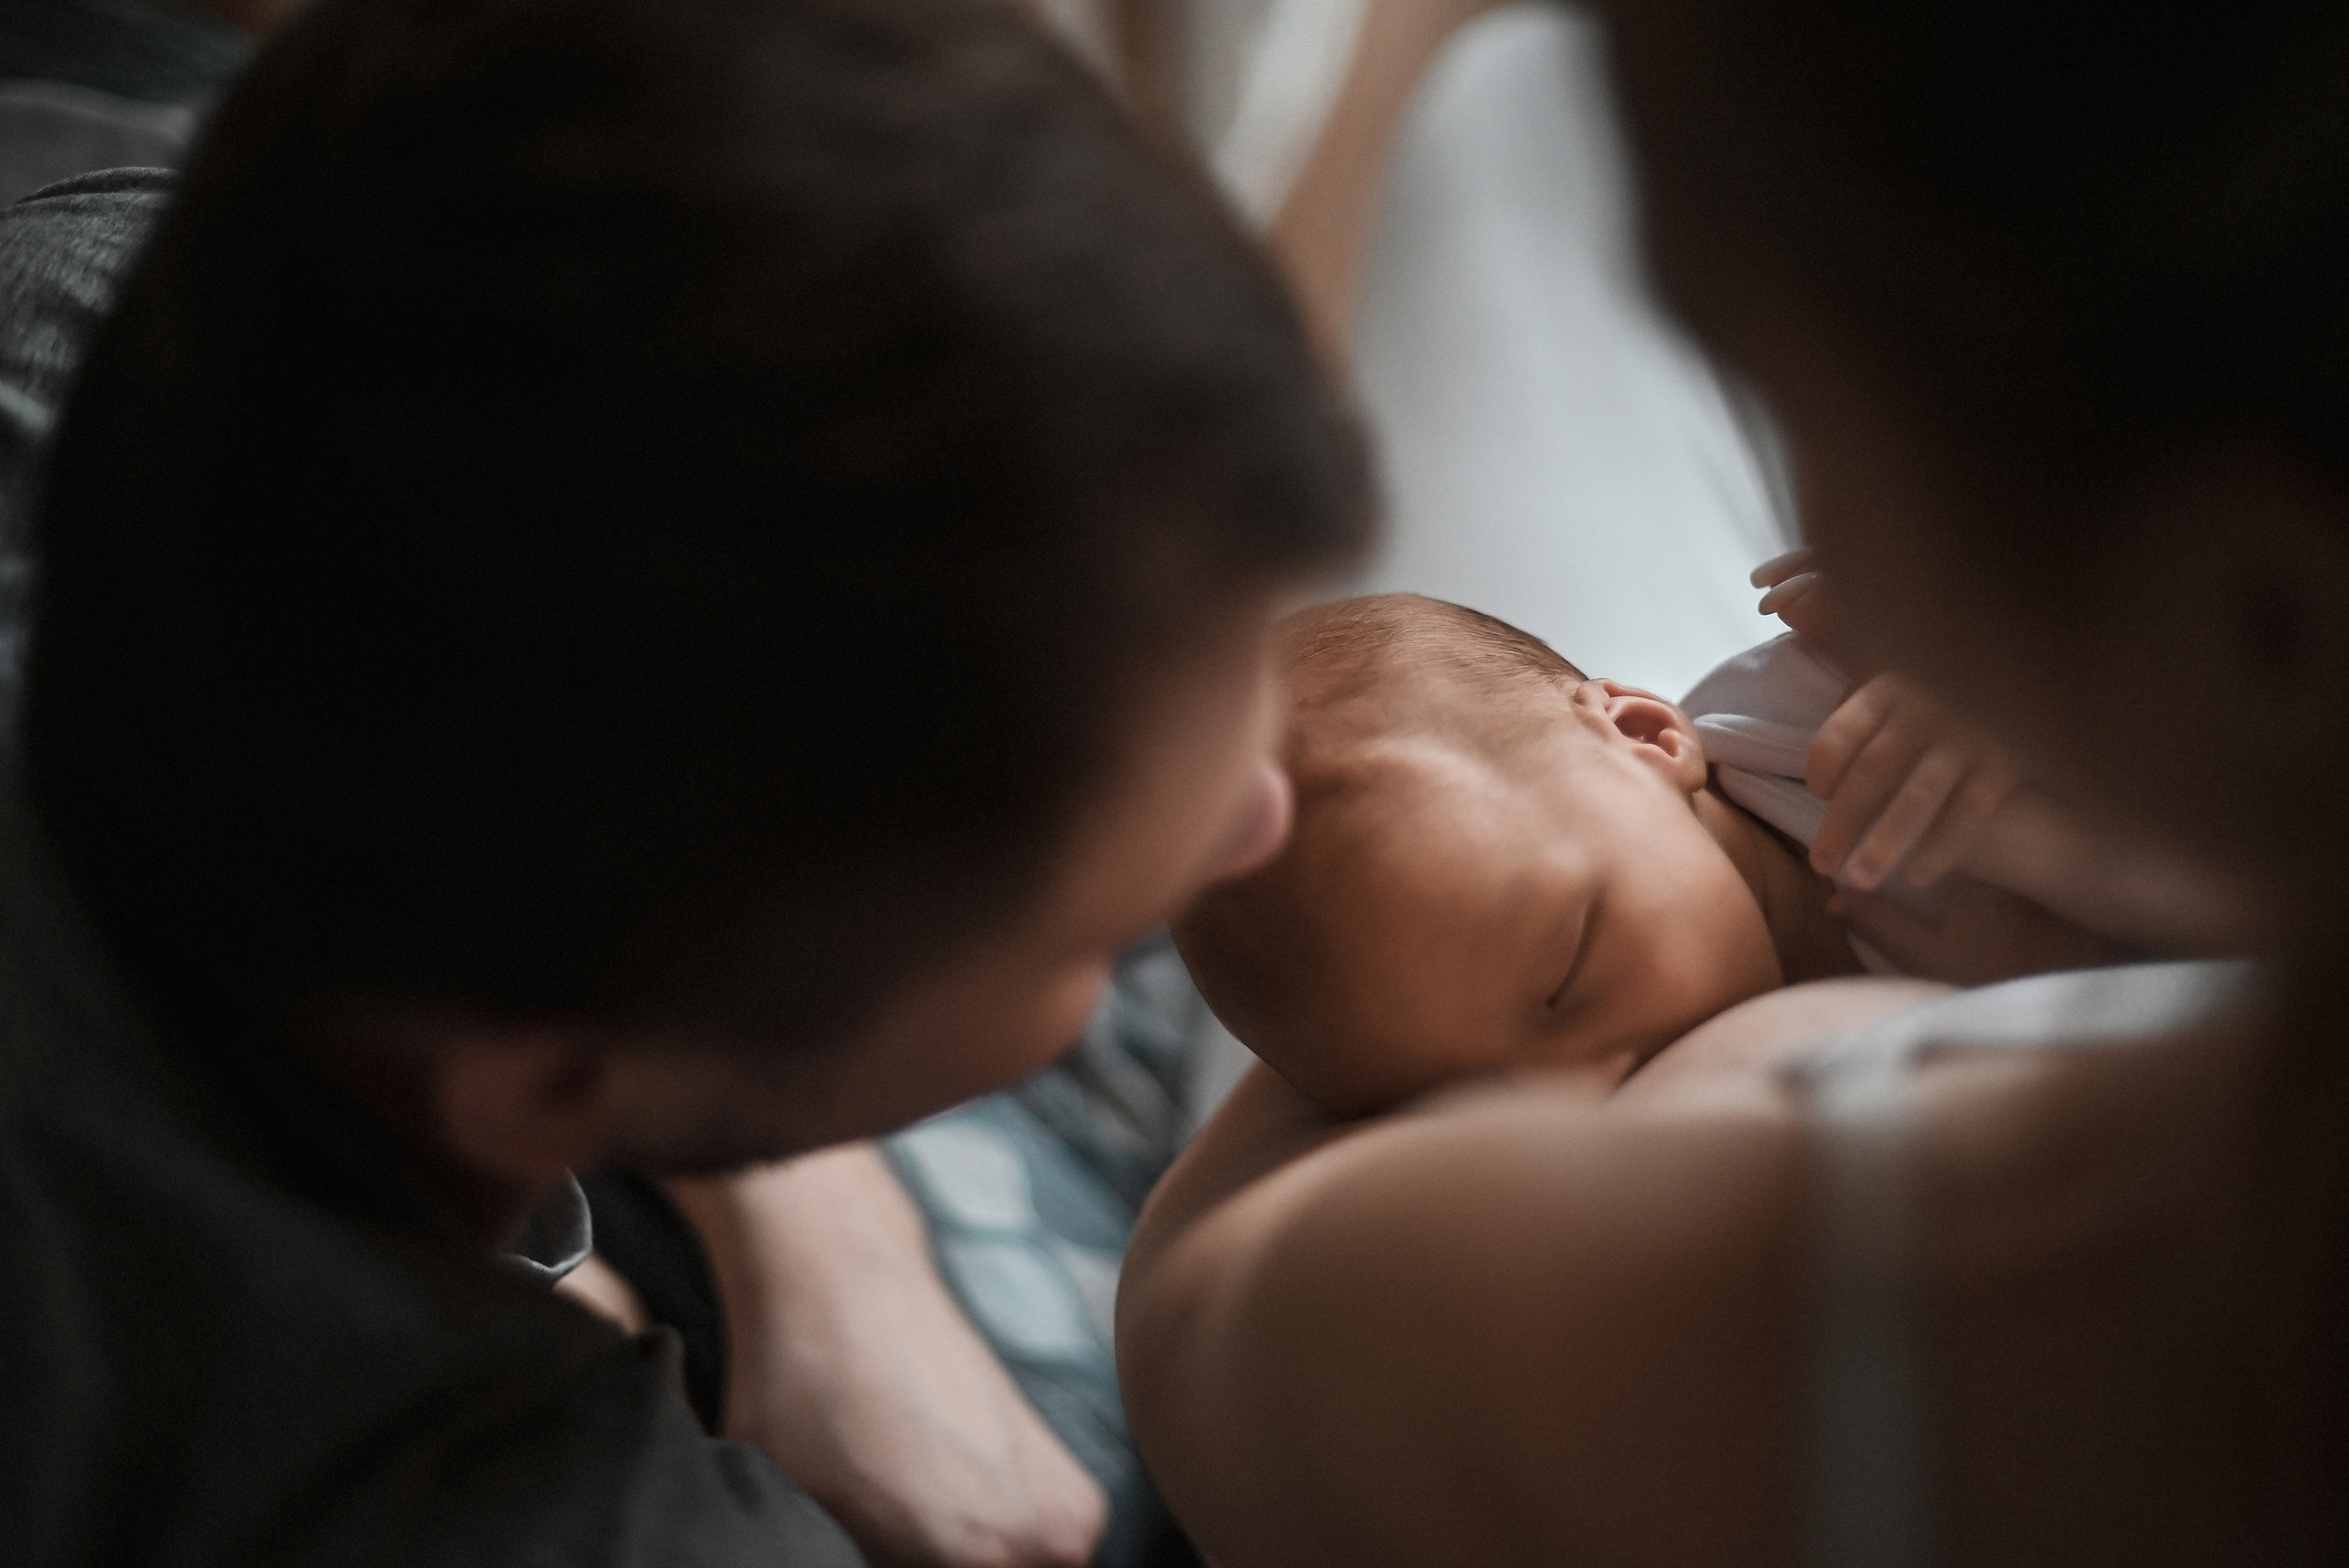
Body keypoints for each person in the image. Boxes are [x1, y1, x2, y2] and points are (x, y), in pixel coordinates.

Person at [0, 1, 1373, 1565]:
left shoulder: (112, 314)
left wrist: (830, 1250)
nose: (1270, 805)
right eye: (1097, 934)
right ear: (552, 1089)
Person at [1116, 2, 2349, 1564]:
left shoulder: (1777, 1186)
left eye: (1807, 407)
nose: (1563, 1100)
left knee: (1535, 105)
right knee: (1536, 88)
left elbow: (1205, 1298)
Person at [1172, 591, 2112, 1117]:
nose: (1589, 1090)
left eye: (1568, 969)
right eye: (1484, 1104)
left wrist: (2013, 663)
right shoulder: (1697, 1150)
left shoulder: (1830, 717)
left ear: (1644, 736)